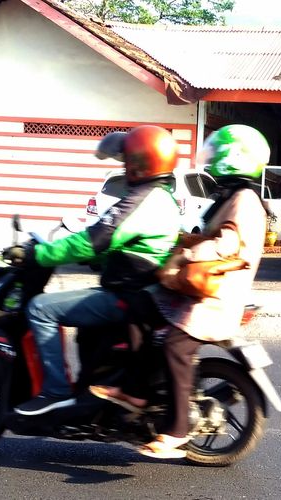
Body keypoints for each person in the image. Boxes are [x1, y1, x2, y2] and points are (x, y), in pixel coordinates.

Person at [89, 124, 271, 459]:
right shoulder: (232, 195)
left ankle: (175, 432)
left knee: (175, 346)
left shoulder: (244, 200)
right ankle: (134, 391)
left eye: (218, 153)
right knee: (139, 308)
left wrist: (188, 254)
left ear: (234, 159)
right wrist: (179, 241)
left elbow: (227, 243)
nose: (211, 158)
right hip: (204, 290)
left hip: (215, 297)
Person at [12, 125, 183, 417]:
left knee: (41, 308)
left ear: (140, 163)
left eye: (127, 161)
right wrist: (98, 260)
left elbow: (96, 238)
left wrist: (39, 253)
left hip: (127, 295)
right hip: (139, 290)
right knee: (85, 330)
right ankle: (91, 388)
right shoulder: (160, 196)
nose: (124, 166)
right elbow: (131, 246)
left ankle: (55, 391)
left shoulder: (142, 198)